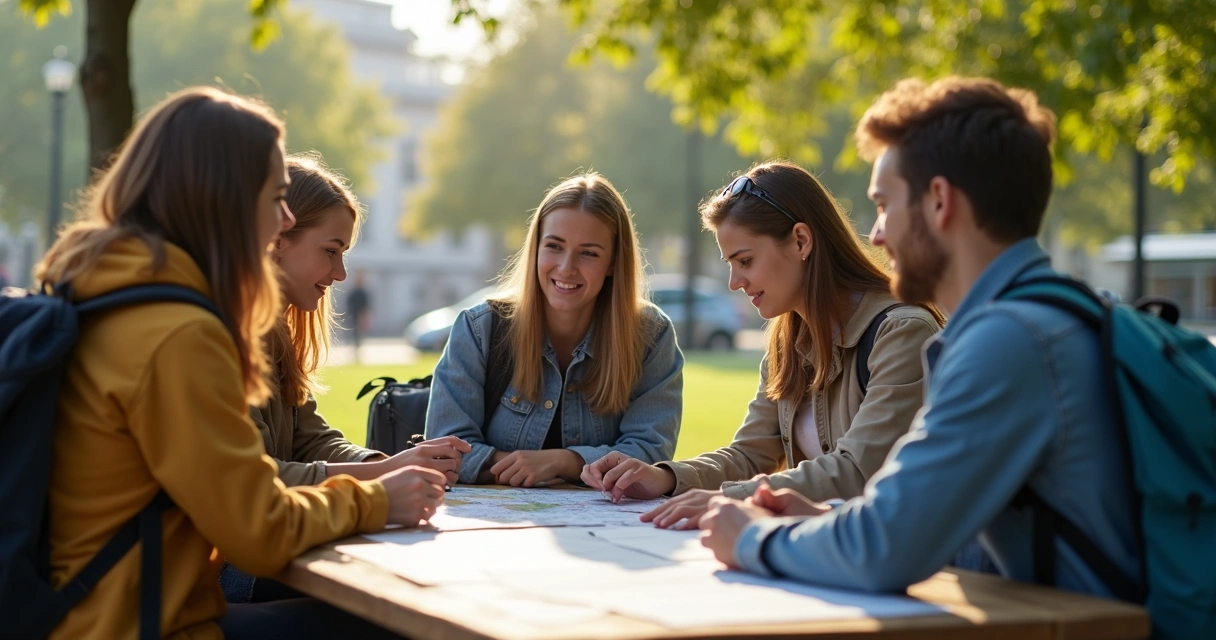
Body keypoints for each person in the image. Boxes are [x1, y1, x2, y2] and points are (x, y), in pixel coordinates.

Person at [699, 77, 1140, 600]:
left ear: (938, 202)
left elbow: (887, 547)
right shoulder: (1047, 317)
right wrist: (829, 516)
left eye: (884, 205)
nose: (877, 234)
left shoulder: (1008, 342)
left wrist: (755, 539)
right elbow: (933, 524)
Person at [36, 86, 446, 639]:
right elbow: (257, 529)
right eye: (274, 196)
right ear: (221, 197)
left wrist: (375, 471)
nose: (282, 219)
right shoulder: (176, 333)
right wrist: (376, 497)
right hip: (141, 623)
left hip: (90, 612)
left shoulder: (113, 294)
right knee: (400, 622)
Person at [582, 161, 943, 529]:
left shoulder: (900, 333)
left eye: (746, 261)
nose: (734, 282)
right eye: (730, 263)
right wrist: (666, 477)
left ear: (801, 241)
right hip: (825, 555)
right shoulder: (788, 339)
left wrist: (727, 499)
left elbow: (857, 472)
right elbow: (749, 454)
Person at [219, 154, 470, 603]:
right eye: (330, 251)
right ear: (278, 239)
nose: (340, 274)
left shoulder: (273, 332)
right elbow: (259, 479)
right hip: (227, 572)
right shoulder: (222, 335)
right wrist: (380, 478)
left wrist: (384, 462)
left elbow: (310, 439)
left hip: (257, 555)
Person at [425, 173, 683, 487]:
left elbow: (649, 451)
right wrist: (520, 465)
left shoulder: (650, 336)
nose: (566, 268)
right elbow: (444, 450)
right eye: (554, 246)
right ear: (535, 249)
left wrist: (563, 462)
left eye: (588, 253)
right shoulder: (479, 329)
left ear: (614, 262)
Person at [347, 270, 370, 361]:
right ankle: (355, 350)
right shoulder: (356, 291)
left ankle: (357, 350)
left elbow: (365, 305)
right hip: (354, 314)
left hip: (359, 314)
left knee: (358, 334)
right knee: (355, 333)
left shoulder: (361, 292)